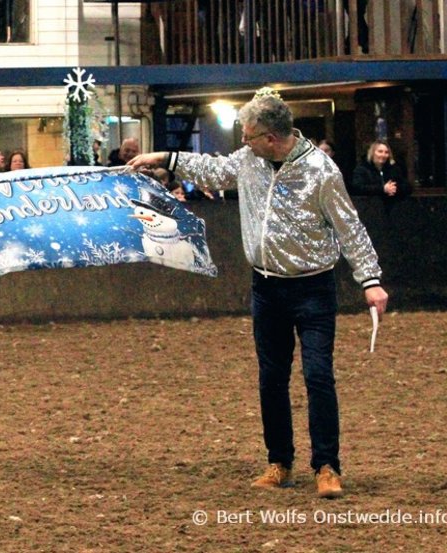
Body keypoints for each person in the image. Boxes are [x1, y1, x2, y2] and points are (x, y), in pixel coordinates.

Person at [128, 87, 388, 499]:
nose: (243, 144)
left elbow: (349, 227)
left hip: (313, 288)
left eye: (248, 137)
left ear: (270, 137)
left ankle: (326, 465)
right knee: (272, 378)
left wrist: (370, 280)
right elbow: (213, 171)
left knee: (318, 376)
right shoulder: (251, 160)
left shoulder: (322, 172)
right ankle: (279, 460)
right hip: (266, 287)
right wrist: (164, 158)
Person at [351, 140, 411, 207]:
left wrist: (394, 189)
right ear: (373, 153)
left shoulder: (393, 169)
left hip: (391, 208)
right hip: (369, 208)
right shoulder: (362, 169)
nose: (383, 155)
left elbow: (407, 187)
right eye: (380, 151)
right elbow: (357, 187)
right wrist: (382, 189)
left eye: (386, 152)